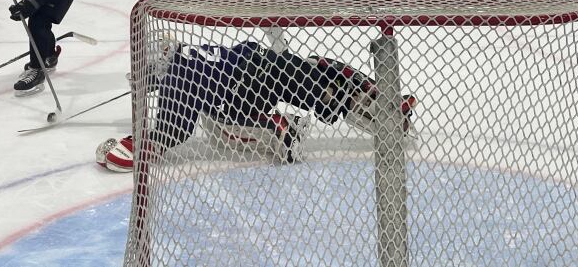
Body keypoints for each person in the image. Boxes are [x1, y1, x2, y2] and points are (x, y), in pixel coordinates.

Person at [96, 40, 417, 171]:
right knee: (319, 72)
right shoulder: (188, 52)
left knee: (330, 97)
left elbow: (173, 131)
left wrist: (133, 146)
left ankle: (280, 127)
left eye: (147, 72)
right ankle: (380, 98)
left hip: (251, 86)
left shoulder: (176, 79)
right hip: (262, 62)